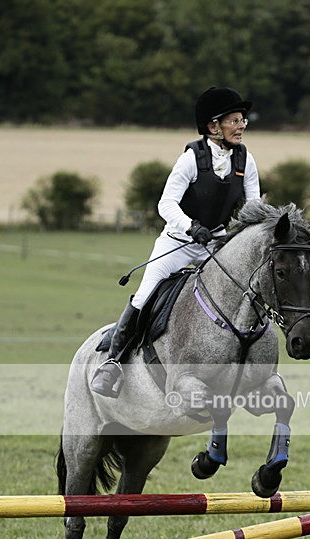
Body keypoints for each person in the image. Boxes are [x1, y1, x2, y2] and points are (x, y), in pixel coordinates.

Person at [91, 86, 261, 398]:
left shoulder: (245, 160)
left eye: (243, 120)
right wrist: (191, 226)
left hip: (216, 245)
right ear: (213, 126)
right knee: (144, 295)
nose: (242, 126)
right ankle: (113, 363)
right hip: (177, 244)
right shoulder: (190, 159)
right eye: (235, 120)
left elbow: (252, 207)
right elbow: (166, 204)